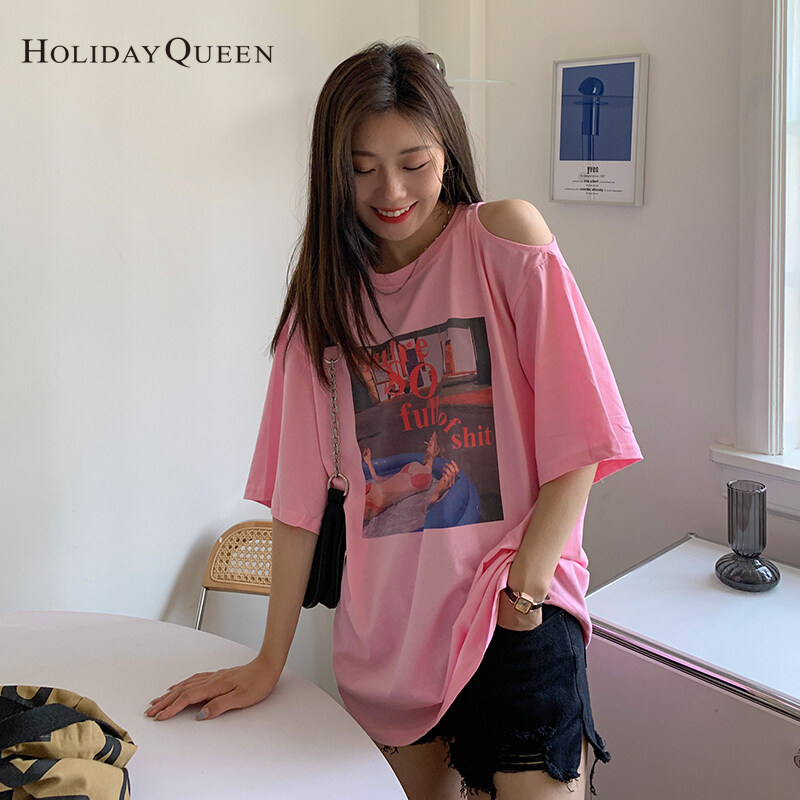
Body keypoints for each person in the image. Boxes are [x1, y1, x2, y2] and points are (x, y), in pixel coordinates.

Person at [146, 40, 643, 800]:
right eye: (362, 167)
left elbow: (583, 434)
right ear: (332, 170)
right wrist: (269, 660)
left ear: (448, 150)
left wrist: (527, 588)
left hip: (511, 613)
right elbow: (300, 504)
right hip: (390, 640)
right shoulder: (321, 308)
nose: (391, 191)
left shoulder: (504, 242)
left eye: (414, 162)